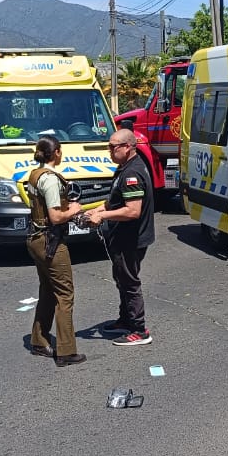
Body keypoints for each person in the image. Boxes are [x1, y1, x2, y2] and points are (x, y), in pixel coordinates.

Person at [85, 127, 155, 346]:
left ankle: (139, 329)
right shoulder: (124, 168)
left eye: (112, 147)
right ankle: (125, 320)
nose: (109, 151)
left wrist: (103, 216)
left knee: (129, 281)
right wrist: (96, 210)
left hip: (131, 239)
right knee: (121, 278)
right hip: (121, 237)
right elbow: (114, 200)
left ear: (127, 147)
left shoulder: (132, 174)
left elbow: (132, 210)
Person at [24, 135, 85, 365]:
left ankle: (39, 341)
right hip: (50, 240)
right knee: (65, 294)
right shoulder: (50, 179)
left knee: (48, 290)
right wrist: (75, 209)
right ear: (57, 152)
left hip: (35, 238)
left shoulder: (35, 174)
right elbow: (56, 216)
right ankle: (66, 351)